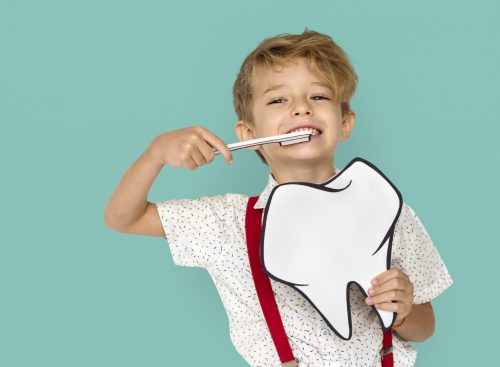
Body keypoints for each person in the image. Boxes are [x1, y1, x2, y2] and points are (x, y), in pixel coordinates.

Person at [104, 30, 453, 366]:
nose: (301, 108)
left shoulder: (387, 210)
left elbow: (425, 327)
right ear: (249, 133)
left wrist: (404, 311)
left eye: (319, 96)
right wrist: (155, 154)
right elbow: (124, 217)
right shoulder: (226, 223)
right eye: (278, 100)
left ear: (345, 122)